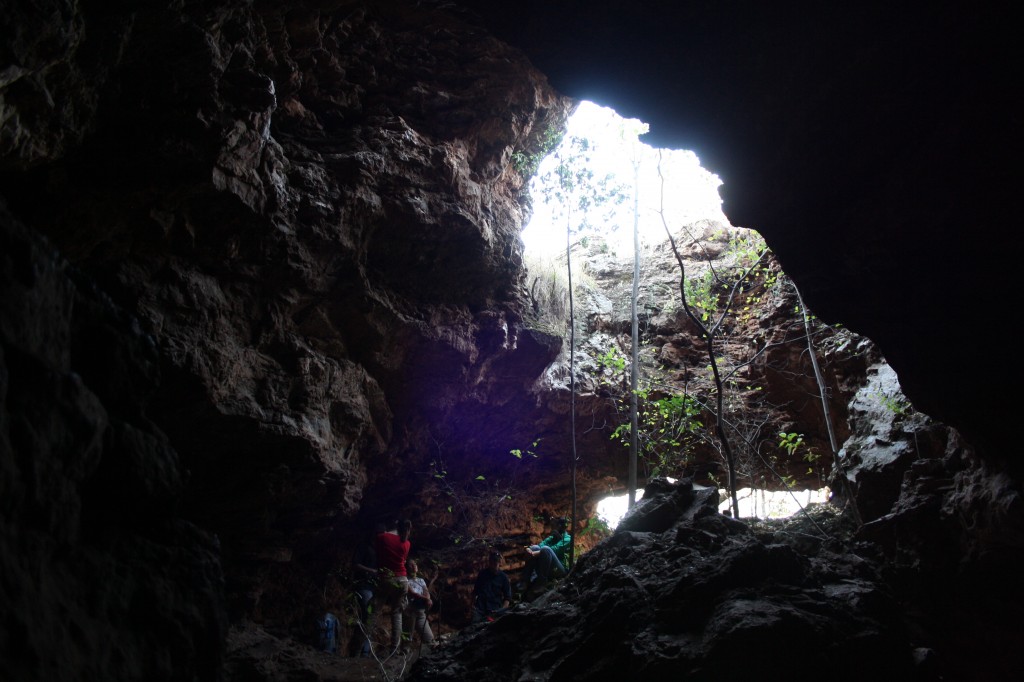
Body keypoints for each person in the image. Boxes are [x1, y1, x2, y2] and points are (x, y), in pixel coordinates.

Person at [374, 518, 412, 654]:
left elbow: (378, 550)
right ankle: (394, 648)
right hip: (402, 580)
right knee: (397, 613)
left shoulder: (383, 537)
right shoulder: (406, 543)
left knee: (373, 611)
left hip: (387, 578)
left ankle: (358, 649)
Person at [350, 524, 380, 658]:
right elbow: (355, 564)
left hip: (374, 587)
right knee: (367, 616)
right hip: (363, 585)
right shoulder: (364, 547)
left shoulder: (379, 550)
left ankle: (365, 652)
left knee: (371, 618)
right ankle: (359, 652)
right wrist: (372, 571)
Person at [522, 516, 571, 595]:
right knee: (535, 547)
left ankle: (542, 583)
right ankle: (525, 581)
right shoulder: (552, 538)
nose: (552, 526)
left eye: (554, 524)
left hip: (559, 569)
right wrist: (529, 549)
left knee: (546, 549)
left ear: (560, 526)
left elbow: (554, 549)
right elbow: (540, 546)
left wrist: (533, 554)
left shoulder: (567, 538)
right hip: (547, 566)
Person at [403, 559, 435, 650]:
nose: (414, 566)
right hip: (410, 611)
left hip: (421, 611)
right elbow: (413, 593)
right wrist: (427, 599)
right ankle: (403, 656)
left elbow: (426, 591)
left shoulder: (421, 580)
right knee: (407, 639)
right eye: (411, 565)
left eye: (415, 564)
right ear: (406, 568)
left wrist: (428, 598)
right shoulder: (405, 580)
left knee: (429, 639)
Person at [472, 551, 511, 623]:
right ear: (489, 562)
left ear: (499, 563)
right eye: (493, 562)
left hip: (495, 609)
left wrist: (501, 610)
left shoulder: (503, 577)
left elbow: (507, 598)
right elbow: (475, 591)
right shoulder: (482, 574)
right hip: (480, 609)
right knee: (475, 627)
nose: (495, 564)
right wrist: (473, 606)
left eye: (496, 562)